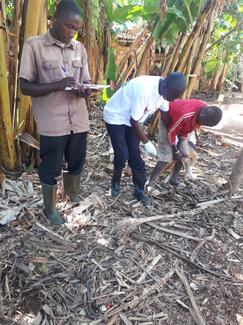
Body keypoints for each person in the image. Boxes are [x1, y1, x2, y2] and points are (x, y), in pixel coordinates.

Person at [19, 0, 92, 225]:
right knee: (50, 167)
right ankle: (49, 209)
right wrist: (57, 85)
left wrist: (86, 90)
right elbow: (25, 86)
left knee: (77, 161)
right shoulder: (34, 46)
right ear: (55, 19)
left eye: (76, 29)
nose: (72, 33)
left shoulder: (79, 49)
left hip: (78, 119)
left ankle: (72, 193)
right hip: (53, 121)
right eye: (69, 26)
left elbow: (86, 82)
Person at [103, 73, 186, 207]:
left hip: (132, 119)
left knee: (135, 155)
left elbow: (165, 117)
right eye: (171, 97)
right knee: (122, 153)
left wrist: (173, 137)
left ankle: (139, 190)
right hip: (116, 116)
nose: (171, 100)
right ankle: (115, 182)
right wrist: (146, 142)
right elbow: (134, 121)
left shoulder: (165, 91)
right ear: (165, 87)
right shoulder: (144, 90)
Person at [147, 99, 223, 188]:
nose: (203, 125)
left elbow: (186, 129)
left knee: (184, 156)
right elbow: (171, 132)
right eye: (205, 124)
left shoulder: (204, 114)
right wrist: (175, 150)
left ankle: (173, 179)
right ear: (202, 117)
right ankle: (150, 182)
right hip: (169, 121)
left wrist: (181, 150)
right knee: (166, 157)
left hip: (183, 126)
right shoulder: (185, 114)